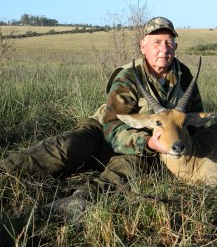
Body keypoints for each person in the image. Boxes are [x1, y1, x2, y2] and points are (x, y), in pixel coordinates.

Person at [1, 17, 203, 221]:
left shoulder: (184, 76)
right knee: (65, 147)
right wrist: (146, 141)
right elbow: (111, 126)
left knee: (128, 168)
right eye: (156, 42)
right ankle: (6, 172)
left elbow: (195, 124)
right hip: (103, 131)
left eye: (169, 42)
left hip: (148, 150)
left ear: (175, 47)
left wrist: (166, 144)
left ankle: (73, 203)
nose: (164, 49)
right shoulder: (128, 76)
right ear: (143, 46)